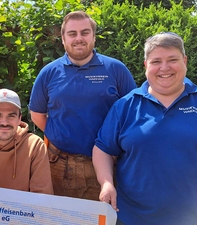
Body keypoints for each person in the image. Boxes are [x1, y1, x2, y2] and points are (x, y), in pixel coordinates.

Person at [92, 32, 197, 225]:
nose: (164, 68)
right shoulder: (125, 106)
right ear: (146, 66)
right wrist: (106, 183)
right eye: (156, 61)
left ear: (185, 61)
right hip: (134, 219)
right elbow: (103, 150)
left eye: (172, 59)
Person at [28, 11, 136, 200]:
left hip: (106, 167)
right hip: (57, 165)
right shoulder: (48, 73)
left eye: (85, 32)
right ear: (63, 39)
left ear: (94, 37)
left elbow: (132, 114)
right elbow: (37, 114)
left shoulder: (116, 70)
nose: (79, 38)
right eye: (72, 34)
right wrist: (61, 135)